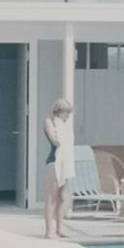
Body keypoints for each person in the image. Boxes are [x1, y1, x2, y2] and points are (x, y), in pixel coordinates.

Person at [43, 99, 76, 239]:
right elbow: (55, 141)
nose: (68, 116)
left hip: (65, 163)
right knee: (52, 197)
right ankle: (48, 231)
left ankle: (59, 229)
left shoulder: (65, 125)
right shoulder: (49, 121)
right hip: (54, 161)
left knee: (62, 198)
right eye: (66, 113)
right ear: (59, 111)